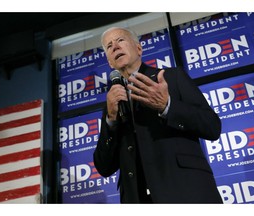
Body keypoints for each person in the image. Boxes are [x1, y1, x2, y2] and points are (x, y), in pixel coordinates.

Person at [93, 27, 223, 204]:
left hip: (186, 194)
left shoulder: (172, 77)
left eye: (120, 40)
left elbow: (212, 126)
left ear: (139, 49)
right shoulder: (112, 102)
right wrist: (110, 121)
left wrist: (167, 106)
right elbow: (104, 167)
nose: (115, 46)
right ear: (110, 62)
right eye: (109, 46)